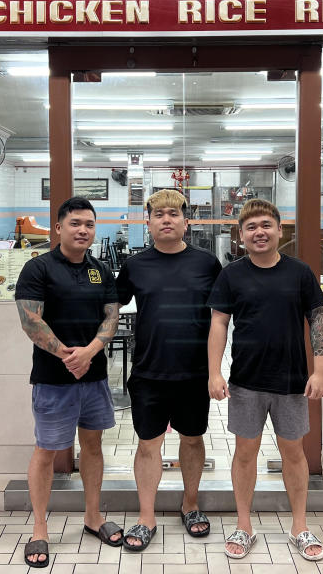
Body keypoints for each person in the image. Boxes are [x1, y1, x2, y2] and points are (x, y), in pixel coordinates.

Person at [207, 198, 323, 562]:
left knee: (294, 453)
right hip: (246, 380)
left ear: (279, 230)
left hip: (292, 381)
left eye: (265, 225)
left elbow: (318, 321)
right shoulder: (231, 275)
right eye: (251, 227)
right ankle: (244, 526)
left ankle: (300, 526)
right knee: (245, 454)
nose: (259, 232)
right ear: (241, 235)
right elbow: (218, 324)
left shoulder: (300, 273)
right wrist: (214, 372)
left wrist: (320, 370)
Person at [14, 196, 123, 568]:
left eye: (89, 224)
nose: (83, 230)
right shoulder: (38, 268)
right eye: (75, 223)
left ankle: (92, 516)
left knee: (92, 446)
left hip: (92, 376)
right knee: (47, 451)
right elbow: (31, 321)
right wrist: (67, 355)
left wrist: (89, 352)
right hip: (52, 379)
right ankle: (40, 528)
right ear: (58, 228)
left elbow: (111, 317)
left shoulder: (100, 270)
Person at [115, 189, 223, 551]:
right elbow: (110, 307)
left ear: (186, 222)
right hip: (148, 372)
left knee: (192, 440)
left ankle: (190, 505)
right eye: (158, 214)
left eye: (173, 214)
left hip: (193, 374)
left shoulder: (207, 264)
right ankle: (146, 517)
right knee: (148, 445)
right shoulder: (135, 266)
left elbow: (222, 319)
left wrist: (215, 371)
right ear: (147, 222)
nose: (166, 219)